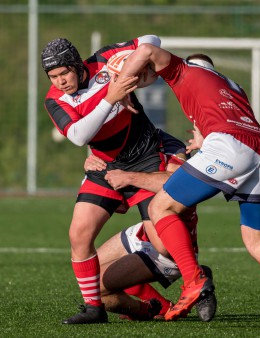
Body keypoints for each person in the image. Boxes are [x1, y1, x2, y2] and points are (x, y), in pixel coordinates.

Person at [114, 47, 260, 328]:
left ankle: (193, 279)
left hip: (230, 145)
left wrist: (120, 87)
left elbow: (146, 49)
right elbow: (227, 120)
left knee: (161, 206)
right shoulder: (232, 86)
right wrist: (205, 142)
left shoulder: (184, 71)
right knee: (257, 242)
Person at [41, 35, 168, 324]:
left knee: (163, 245)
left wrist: (126, 72)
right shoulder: (54, 99)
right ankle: (94, 309)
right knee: (79, 233)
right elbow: (78, 136)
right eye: (53, 76)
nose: (59, 81)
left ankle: (191, 273)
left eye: (64, 73)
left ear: (77, 64)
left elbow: (151, 39)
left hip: (144, 158)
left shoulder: (106, 59)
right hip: (104, 164)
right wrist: (112, 95)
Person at [84, 128, 217, 322]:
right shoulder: (115, 144)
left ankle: (192, 277)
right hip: (142, 232)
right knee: (87, 277)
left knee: (96, 288)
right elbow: (119, 204)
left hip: (169, 245)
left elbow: (179, 184)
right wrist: (94, 169)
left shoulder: (172, 147)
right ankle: (156, 307)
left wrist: (129, 177)